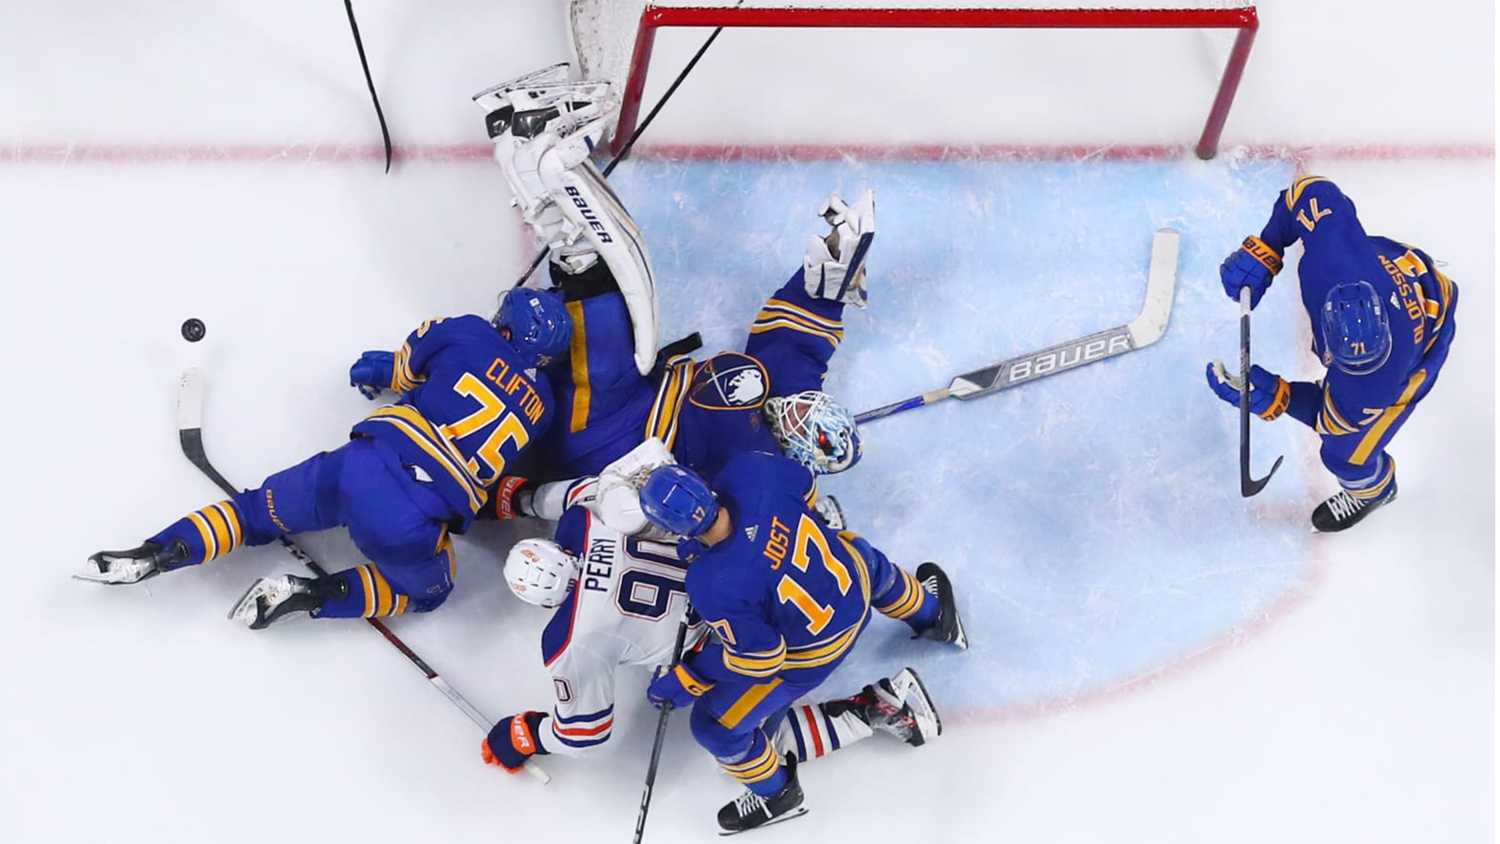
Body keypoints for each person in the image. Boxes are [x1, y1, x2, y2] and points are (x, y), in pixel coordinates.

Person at [473, 67, 872, 532]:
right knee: (613, 317)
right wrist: (827, 289)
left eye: (802, 420)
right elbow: (796, 347)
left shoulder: (770, 476)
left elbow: (752, 540)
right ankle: (529, 167)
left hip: (609, 444)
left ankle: (549, 201)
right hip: (641, 394)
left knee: (604, 354)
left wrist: (821, 529)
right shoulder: (781, 398)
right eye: (809, 406)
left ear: (800, 451)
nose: (797, 407)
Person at [78, 292, 569, 627]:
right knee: (429, 590)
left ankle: (155, 552)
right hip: (414, 517)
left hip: (361, 465)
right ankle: (308, 595)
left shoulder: (464, 330)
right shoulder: (543, 407)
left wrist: (376, 368)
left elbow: (403, 369)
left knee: (252, 512)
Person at [476, 502, 942, 780]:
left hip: (751, 647)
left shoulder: (570, 640)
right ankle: (932, 611)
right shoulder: (592, 517)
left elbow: (584, 732)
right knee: (850, 553)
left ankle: (870, 713)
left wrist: (525, 734)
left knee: (726, 732)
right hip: (776, 592)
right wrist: (522, 498)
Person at [636, 452, 967, 834]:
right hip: (854, 584)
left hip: (818, 650)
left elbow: (761, 661)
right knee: (857, 555)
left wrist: (688, 677)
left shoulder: (712, 584)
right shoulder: (750, 469)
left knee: (713, 726)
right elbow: (809, 495)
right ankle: (933, 615)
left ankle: (777, 795)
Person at [1206, 176, 1458, 531]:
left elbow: (1331, 421)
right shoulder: (1335, 259)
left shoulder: (1376, 384)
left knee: (1345, 456)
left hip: (1425, 334)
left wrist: (1282, 398)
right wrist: (1266, 247)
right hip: (1397, 271)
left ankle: (1373, 490)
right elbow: (1306, 192)